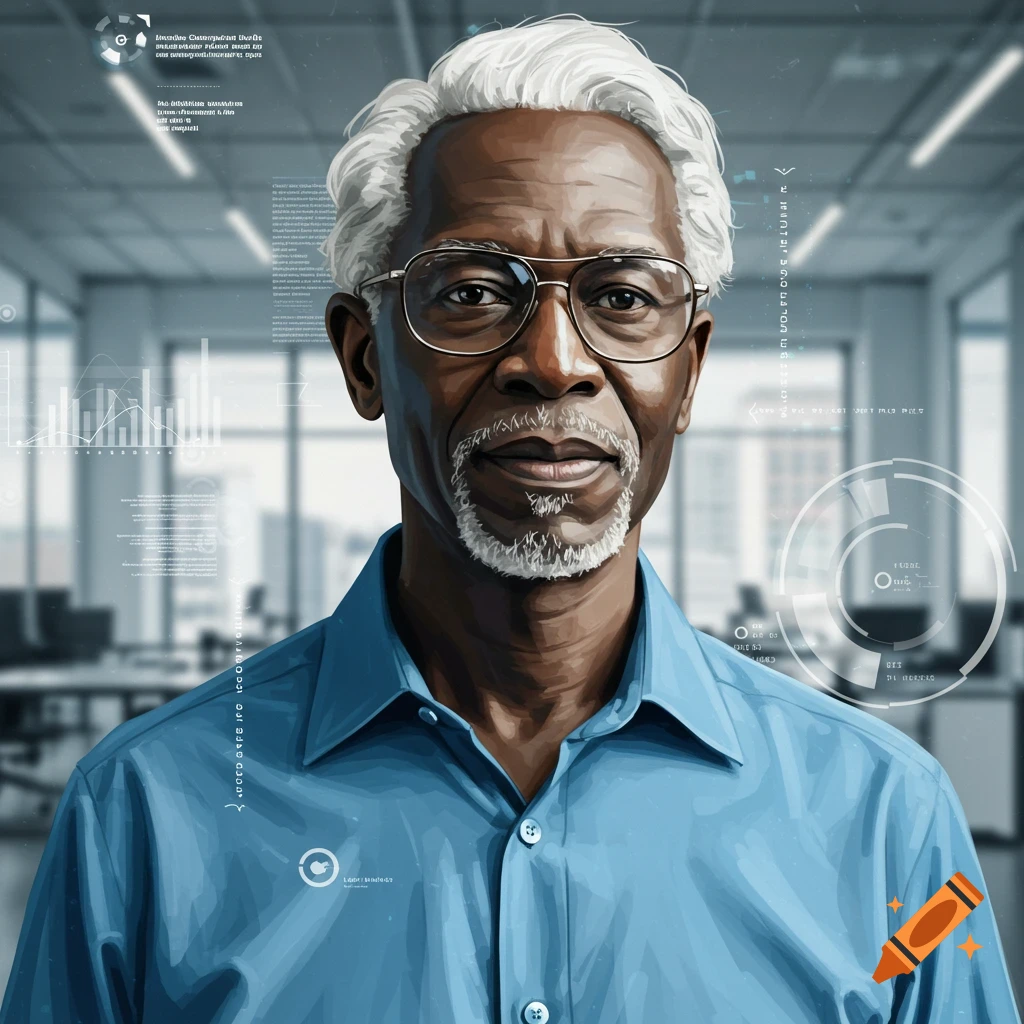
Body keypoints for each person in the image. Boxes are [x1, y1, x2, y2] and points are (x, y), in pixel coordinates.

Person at [1, 16, 1019, 1024]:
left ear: (690, 366)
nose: (555, 362)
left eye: (622, 296)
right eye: (475, 292)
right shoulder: (141, 814)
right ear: (364, 357)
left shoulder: (885, 818)